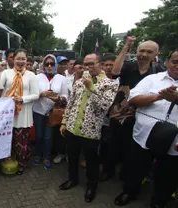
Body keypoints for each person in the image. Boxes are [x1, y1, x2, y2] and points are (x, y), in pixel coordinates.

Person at [113, 49, 178, 208]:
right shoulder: (152, 79)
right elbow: (132, 98)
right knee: (136, 167)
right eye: (175, 62)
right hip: (143, 135)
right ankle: (129, 191)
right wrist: (159, 96)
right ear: (168, 62)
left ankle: (159, 201)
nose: (177, 66)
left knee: (167, 173)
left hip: (174, 141)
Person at [103, 37, 165, 182]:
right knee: (112, 143)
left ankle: (126, 174)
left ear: (156, 54)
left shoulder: (158, 73)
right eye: (141, 50)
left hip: (140, 116)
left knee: (130, 148)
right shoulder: (128, 66)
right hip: (118, 113)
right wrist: (126, 47)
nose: (143, 54)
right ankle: (108, 170)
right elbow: (115, 71)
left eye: (149, 52)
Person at [59, 53, 119, 203]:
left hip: (90, 131)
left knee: (92, 162)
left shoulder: (110, 84)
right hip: (72, 127)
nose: (87, 67)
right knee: (72, 157)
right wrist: (64, 122)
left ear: (101, 64)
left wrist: (91, 87)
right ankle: (72, 179)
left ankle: (91, 187)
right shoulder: (79, 82)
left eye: (91, 64)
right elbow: (71, 103)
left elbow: (104, 106)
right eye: (85, 64)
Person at [0, 49, 39, 175]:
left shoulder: (31, 75)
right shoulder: (6, 73)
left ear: (26, 60)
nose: (20, 61)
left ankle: (21, 165)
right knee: (7, 140)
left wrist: (23, 99)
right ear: (13, 59)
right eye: (18, 58)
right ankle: (6, 163)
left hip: (23, 114)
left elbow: (36, 94)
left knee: (22, 142)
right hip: (7, 114)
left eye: (23, 59)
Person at [32, 54, 69, 169]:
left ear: (55, 65)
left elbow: (65, 95)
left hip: (52, 112)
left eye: (52, 64)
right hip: (38, 111)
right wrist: (41, 94)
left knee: (48, 137)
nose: (49, 66)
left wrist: (58, 98)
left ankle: (47, 157)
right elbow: (32, 93)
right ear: (43, 65)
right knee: (38, 136)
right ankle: (38, 154)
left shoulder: (62, 78)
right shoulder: (37, 77)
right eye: (46, 64)